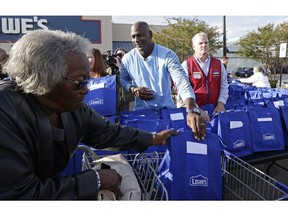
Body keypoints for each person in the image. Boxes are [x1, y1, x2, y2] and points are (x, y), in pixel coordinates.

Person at [0, 29, 179, 200]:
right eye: (79, 81)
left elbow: (109, 133)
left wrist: (154, 138)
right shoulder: (5, 111)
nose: (86, 89)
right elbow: (20, 195)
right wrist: (96, 179)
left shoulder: (71, 107)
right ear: (44, 77)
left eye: (86, 80)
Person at [119, 21, 205, 140]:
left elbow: (182, 81)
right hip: (142, 116)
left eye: (140, 35)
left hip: (166, 115)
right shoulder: (127, 59)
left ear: (150, 34)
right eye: (133, 36)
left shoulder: (167, 55)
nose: (136, 39)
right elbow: (123, 78)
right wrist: (133, 89)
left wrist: (191, 109)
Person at [181, 32, 229, 123]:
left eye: (206, 43)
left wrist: (221, 103)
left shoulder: (218, 64)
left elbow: (224, 85)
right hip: (195, 111)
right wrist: (195, 108)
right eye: (200, 43)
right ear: (193, 46)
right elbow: (183, 90)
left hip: (215, 109)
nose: (204, 45)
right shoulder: (187, 65)